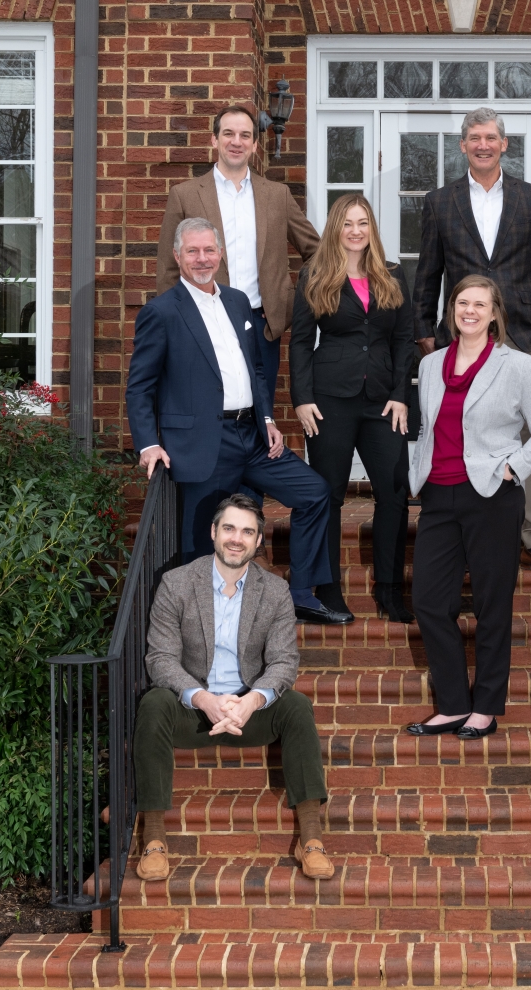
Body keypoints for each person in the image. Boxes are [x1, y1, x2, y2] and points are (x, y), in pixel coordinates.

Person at [126, 217, 350, 626]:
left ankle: (299, 592)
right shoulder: (161, 312)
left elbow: (255, 370)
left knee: (314, 492)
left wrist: (266, 416)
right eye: (192, 251)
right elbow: (139, 386)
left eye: (209, 250)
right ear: (177, 257)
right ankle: (202, 627)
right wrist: (148, 443)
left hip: (251, 435)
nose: (202, 258)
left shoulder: (235, 302)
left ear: (220, 253)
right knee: (201, 541)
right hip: (201, 444)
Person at [133, 494, 333, 882]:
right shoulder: (176, 584)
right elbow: (160, 659)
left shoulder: (274, 592)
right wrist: (204, 699)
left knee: (296, 706)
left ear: (258, 541)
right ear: (213, 532)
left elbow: (283, 662)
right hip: (192, 710)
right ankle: (154, 837)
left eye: (247, 531)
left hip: (249, 712)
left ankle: (310, 838)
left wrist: (252, 700)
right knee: (154, 703)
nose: (236, 539)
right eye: (229, 528)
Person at [406, 276, 531, 740]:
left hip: (492, 495)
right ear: (452, 309)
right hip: (438, 494)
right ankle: (454, 703)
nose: (469, 311)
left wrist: (514, 466)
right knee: (430, 602)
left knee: (493, 604)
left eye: (480, 304)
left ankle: (486, 706)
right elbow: (430, 428)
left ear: (495, 313)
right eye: (461, 302)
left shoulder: (515, 366)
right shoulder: (433, 363)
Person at [413, 108, 531, 575]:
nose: (483, 144)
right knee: (464, 427)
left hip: (522, 334)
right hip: (462, 336)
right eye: (474, 138)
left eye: (491, 137)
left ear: (504, 144)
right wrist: (425, 333)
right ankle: (467, 526)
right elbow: (428, 274)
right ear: (463, 146)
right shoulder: (441, 202)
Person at [290, 194, 415, 624]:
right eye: (347, 223)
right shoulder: (315, 274)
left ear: (372, 228)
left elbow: (403, 340)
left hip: (384, 400)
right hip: (329, 401)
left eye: (362, 222)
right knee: (328, 495)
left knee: (394, 491)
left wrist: (401, 394)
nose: (355, 231)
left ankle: (389, 588)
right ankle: (327, 589)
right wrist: (302, 399)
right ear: (335, 229)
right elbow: (301, 341)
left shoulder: (394, 275)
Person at [156, 104, 320, 408]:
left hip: (261, 324)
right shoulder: (186, 194)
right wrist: (175, 324)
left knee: (260, 413)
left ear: (255, 145)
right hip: (203, 321)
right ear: (214, 140)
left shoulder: (277, 195)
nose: (237, 141)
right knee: (207, 409)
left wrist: (292, 298)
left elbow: (317, 253)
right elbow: (168, 266)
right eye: (228, 133)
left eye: (245, 135)